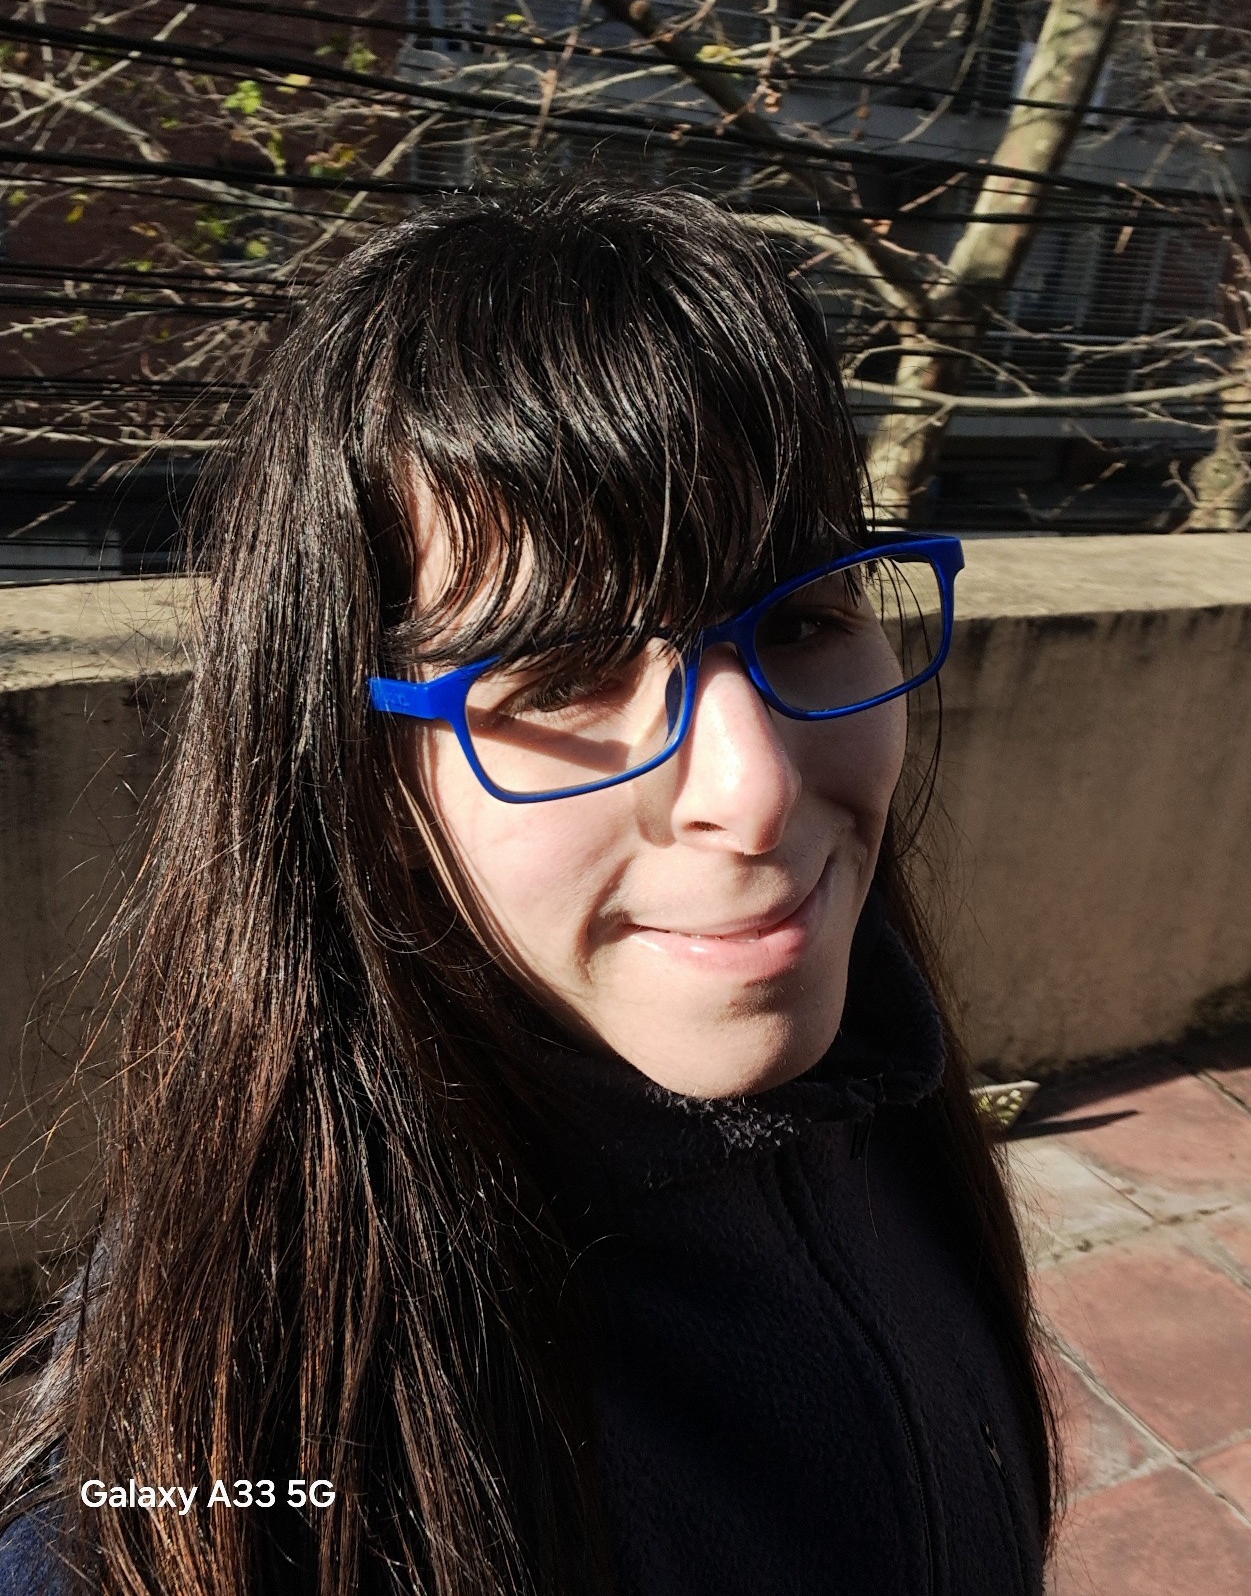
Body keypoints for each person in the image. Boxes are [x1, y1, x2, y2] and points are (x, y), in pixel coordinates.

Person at [0, 183, 1059, 1595]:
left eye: (805, 621)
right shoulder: (213, 1469)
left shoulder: (880, 1075)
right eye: (562, 677)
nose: (751, 788)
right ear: (351, 764)